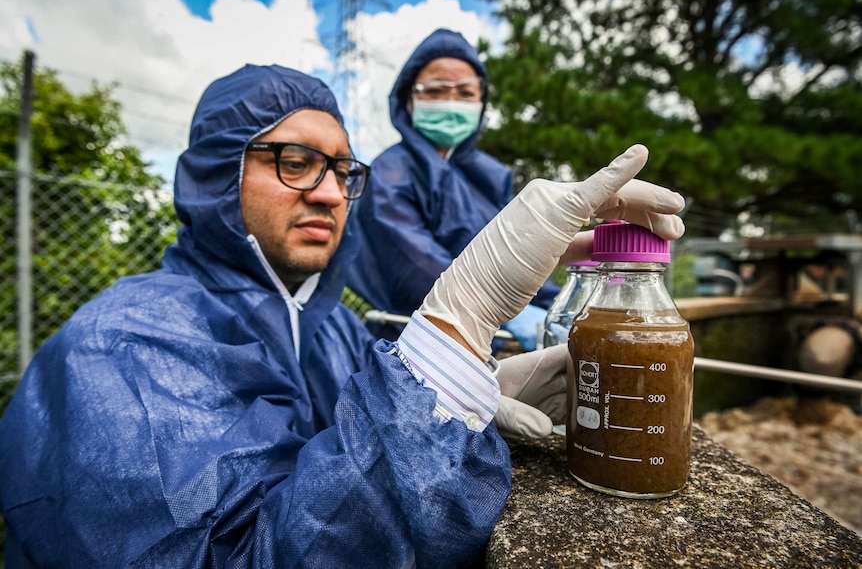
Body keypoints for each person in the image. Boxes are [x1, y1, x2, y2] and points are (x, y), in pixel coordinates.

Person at [0, 63, 685, 568]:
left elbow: (359, 454)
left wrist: (473, 387)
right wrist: (463, 315)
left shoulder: (328, 327)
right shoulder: (120, 349)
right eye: (296, 161)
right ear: (217, 174)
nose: (330, 193)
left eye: (343, 171)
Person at [346, 29, 558, 350]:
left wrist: (562, 306)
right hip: (412, 347)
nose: (451, 102)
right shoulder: (390, 173)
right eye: (435, 91)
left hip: (488, 344)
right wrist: (508, 310)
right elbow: (416, 266)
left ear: (482, 101)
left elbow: (518, 254)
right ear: (409, 99)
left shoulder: (491, 175)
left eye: (465, 93)